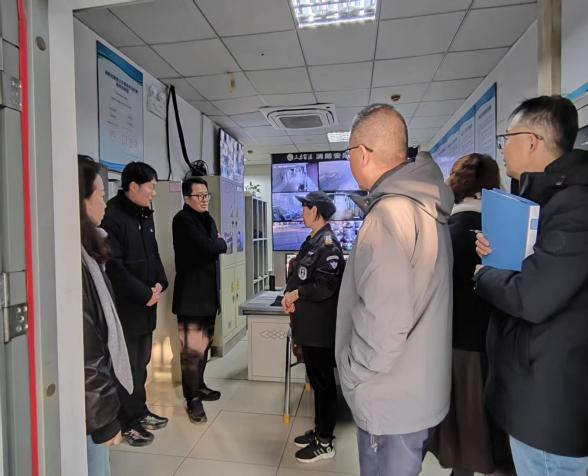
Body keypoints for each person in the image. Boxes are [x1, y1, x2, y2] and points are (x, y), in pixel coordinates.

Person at [335, 103, 454, 476]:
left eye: (349, 152)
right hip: (415, 392)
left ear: (362, 154)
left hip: (388, 400)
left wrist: (350, 374)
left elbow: (383, 322)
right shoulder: (426, 205)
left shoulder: (388, 215)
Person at [474, 96, 588, 475]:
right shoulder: (540, 199)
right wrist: (495, 254)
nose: (503, 148)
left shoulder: (574, 205)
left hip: (551, 408)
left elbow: (533, 296)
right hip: (532, 390)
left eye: (507, 138)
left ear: (532, 141)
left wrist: (482, 274)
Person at [429, 153, 513, 476]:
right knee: (487, 426)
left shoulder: (448, 231)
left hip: (459, 343)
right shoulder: (502, 229)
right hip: (497, 342)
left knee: (464, 426)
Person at [101, 162, 168, 446]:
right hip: (127, 308)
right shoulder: (113, 217)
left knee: (142, 362)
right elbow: (114, 266)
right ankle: (126, 422)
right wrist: (144, 294)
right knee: (125, 366)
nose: (154, 192)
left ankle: (139, 412)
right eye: (150, 187)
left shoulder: (144, 214)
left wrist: (160, 283)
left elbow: (154, 254)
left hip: (147, 305)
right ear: (133, 186)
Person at [282, 191, 345, 463]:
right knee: (317, 383)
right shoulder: (312, 241)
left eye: (305, 208)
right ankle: (320, 430)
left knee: (324, 384)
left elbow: (325, 287)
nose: (302, 212)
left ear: (316, 211)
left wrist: (297, 294)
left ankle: (325, 442)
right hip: (309, 326)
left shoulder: (328, 245)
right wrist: (288, 296)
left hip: (321, 328)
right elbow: (299, 276)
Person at [78, 155, 132, 475]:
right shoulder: (75, 261)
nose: (105, 204)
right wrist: (105, 419)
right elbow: (87, 347)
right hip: (88, 409)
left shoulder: (89, 250)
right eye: (100, 195)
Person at [171, 176, 227, 424]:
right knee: (191, 352)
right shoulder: (183, 220)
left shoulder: (208, 219)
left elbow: (213, 246)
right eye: (199, 196)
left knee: (204, 347)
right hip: (191, 298)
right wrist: (219, 242)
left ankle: (200, 386)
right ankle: (192, 398)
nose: (204, 200)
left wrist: (217, 243)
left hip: (208, 296)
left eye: (206, 195)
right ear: (187, 198)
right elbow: (210, 247)